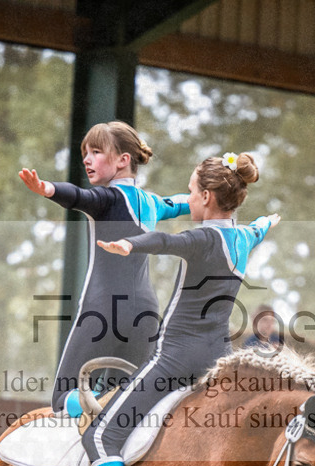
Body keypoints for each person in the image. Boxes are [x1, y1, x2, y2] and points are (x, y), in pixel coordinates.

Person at [76, 152, 278, 466]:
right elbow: (260, 227)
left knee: (101, 436)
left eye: (190, 192)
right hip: (218, 362)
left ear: (206, 197)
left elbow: (167, 243)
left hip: (177, 361)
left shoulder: (204, 237)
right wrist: (269, 221)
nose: (188, 198)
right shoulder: (245, 236)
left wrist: (131, 245)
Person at [18, 121, 190, 416]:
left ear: (123, 160)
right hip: (146, 315)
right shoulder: (153, 204)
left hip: (103, 311)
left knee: (63, 398)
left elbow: (79, 196)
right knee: (121, 402)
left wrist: (47, 188)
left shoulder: (106, 199)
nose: (87, 159)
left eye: (96, 152)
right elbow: (185, 202)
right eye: (85, 153)